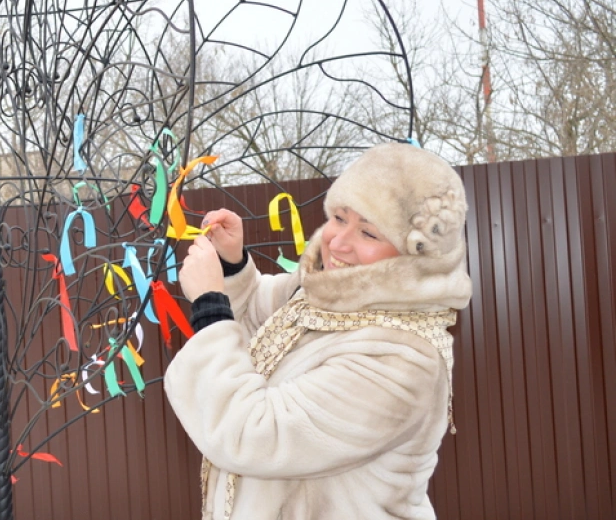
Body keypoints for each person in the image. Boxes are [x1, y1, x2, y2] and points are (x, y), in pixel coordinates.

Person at [164, 143, 472, 520]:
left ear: (413, 254)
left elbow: (253, 435)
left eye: (369, 233)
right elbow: (266, 312)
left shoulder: (402, 361)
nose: (339, 241)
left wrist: (210, 307)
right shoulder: (328, 294)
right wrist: (232, 265)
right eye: (340, 218)